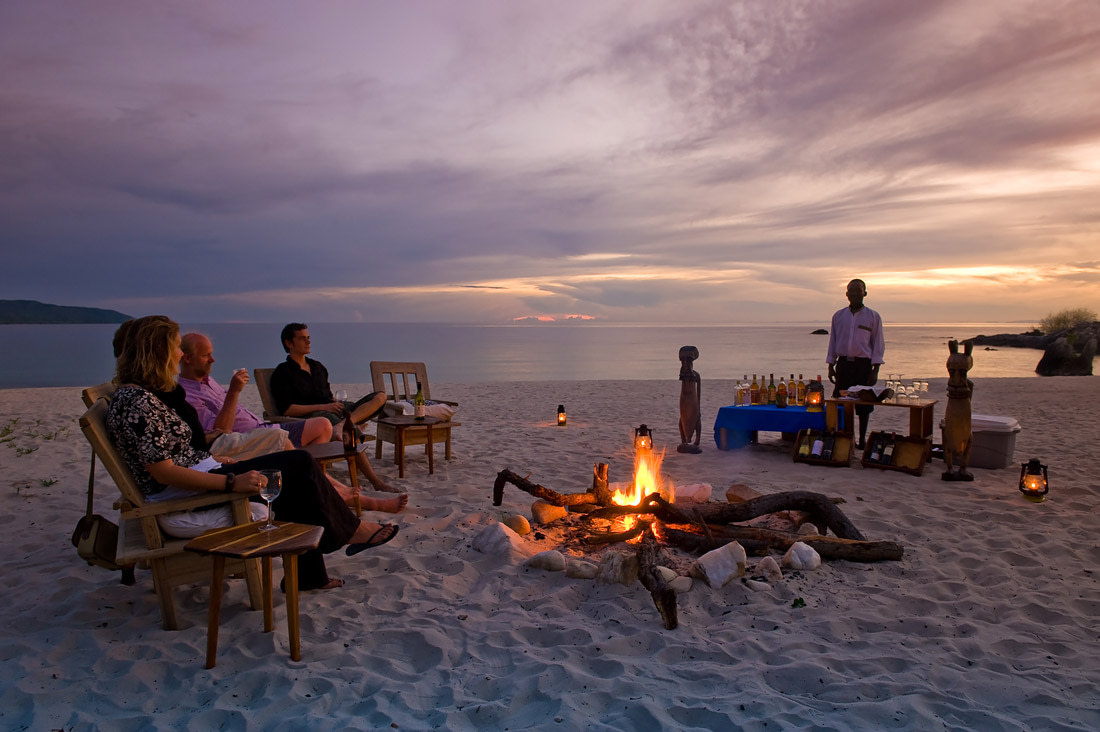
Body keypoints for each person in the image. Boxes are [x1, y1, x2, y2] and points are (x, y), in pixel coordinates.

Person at [105, 316, 401, 591]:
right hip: (185, 497)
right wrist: (232, 483)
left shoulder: (138, 395)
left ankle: (310, 574)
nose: (180, 355)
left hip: (200, 475)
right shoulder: (136, 402)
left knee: (297, 471)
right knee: (297, 465)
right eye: (175, 348)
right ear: (156, 353)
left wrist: (213, 461)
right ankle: (352, 532)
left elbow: (173, 454)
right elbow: (162, 471)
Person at [177, 332, 405, 504]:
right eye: (207, 355)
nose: (213, 360)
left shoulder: (316, 367)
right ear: (187, 358)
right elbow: (221, 433)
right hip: (257, 435)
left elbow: (327, 392)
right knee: (334, 427)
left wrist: (334, 406)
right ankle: (324, 481)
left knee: (338, 421)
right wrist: (235, 392)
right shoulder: (282, 373)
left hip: (273, 424)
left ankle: (324, 456)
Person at [269, 323, 387, 427]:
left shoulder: (318, 367)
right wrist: (324, 407)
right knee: (327, 418)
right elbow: (288, 410)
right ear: (289, 343)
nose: (308, 342)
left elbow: (327, 395)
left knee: (380, 397)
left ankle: (343, 425)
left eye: (308, 338)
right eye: (302, 339)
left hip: (331, 409)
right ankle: (350, 428)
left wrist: (334, 403)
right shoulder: (283, 372)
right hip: (311, 417)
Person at [826, 278, 885, 448]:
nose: (854, 294)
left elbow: (877, 344)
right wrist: (831, 365)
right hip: (844, 364)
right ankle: (843, 437)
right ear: (846, 294)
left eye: (858, 290)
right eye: (851, 290)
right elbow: (833, 342)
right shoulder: (838, 316)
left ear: (864, 293)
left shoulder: (873, 316)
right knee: (841, 402)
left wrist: (875, 370)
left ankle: (861, 439)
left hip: (863, 365)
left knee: (863, 405)